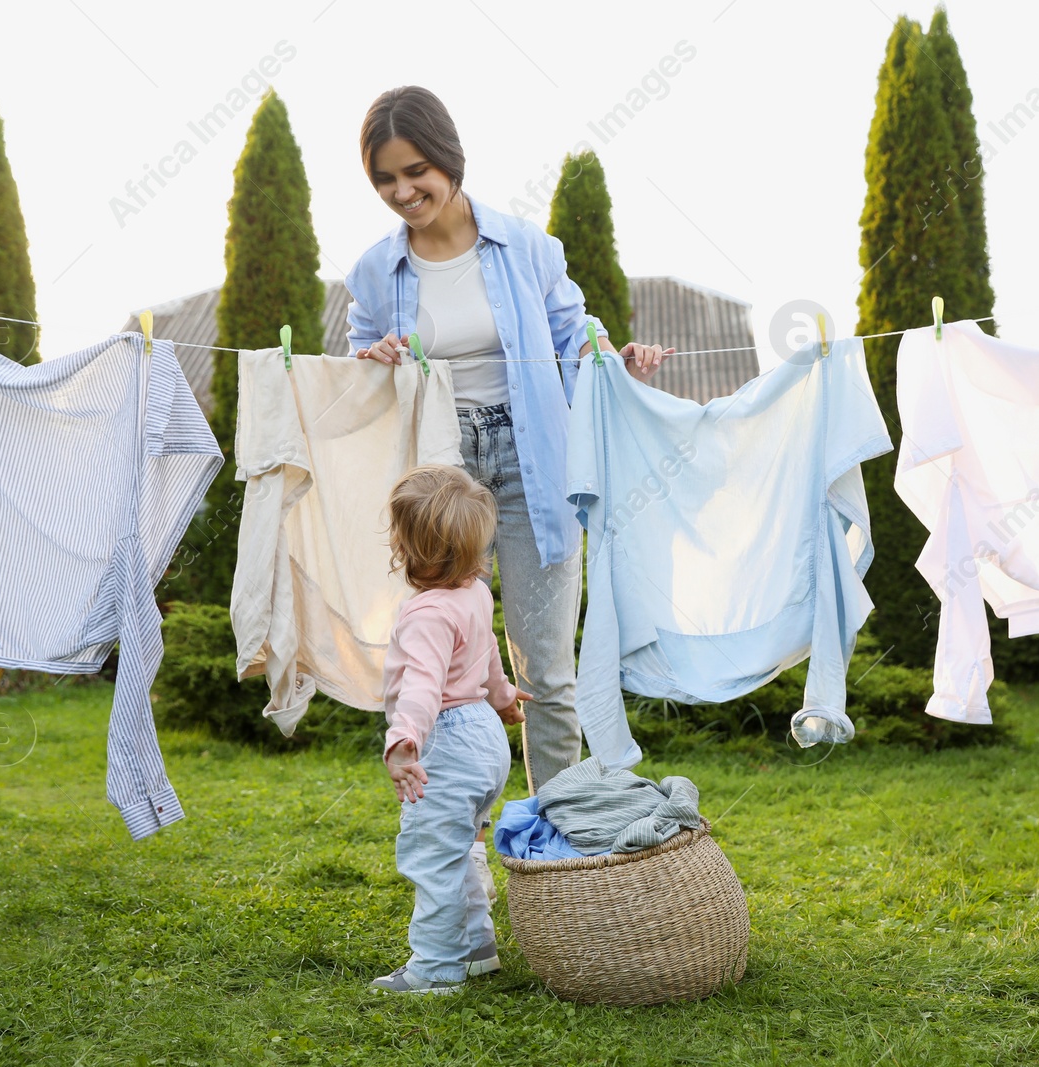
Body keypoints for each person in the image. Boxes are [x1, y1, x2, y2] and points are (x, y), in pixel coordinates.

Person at [347, 87, 672, 820]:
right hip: (440, 478)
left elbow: (574, 332)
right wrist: (371, 358)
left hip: (534, 470)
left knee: (546, 672)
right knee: (443, 668)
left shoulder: (524, 245)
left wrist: (614, 363)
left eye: (416, 171)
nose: (404, 192)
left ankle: (554, 840)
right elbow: (352, 369)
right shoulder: (373, 271)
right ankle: (453, 839)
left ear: (450, 160)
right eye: (385, 179)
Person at [370, 464, 531, 995]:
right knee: (459, 846)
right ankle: (477, 948)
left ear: (408, 547)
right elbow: (486, 653)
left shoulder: (426, 614)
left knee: (433, 855)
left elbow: (422, 685)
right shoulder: (475, 593)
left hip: (446, 739)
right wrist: (504, 696)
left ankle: (436, 969)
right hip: (484, 736)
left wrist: (404, 739)